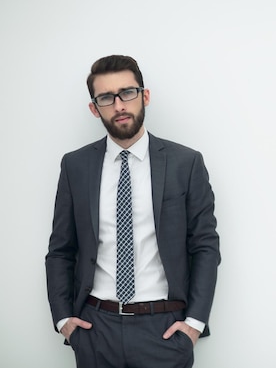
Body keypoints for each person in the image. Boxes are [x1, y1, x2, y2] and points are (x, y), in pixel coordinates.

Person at [45, 55, 220, 368]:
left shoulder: (186, 163)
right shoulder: (75, 166)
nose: (119, 105)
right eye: (106, 98)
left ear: (145, 96)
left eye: (127, 93)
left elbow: (205, 245)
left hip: (164, 328)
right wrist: (64, 321)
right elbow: (60, 249)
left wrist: (194, 324)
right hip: (96, 328)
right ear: (94, 108)